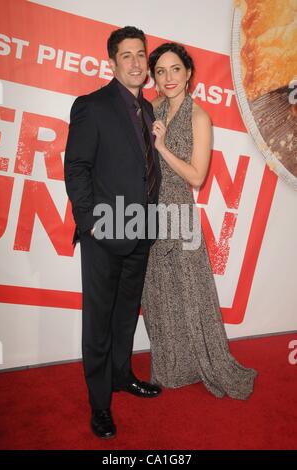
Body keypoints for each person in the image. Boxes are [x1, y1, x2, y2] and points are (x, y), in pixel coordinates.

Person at [141, 42, 257, 399]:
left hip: (179, 212)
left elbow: (196, 176)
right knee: (158, 293)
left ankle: (204, 362)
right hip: (146, 212)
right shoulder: (151, 108)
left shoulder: (199, 117)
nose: (168, 77)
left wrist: (161, 148)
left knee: (190, 292)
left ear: (188, 73)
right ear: (154, 79)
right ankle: (173, 366)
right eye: (160, 71)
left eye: (175, 69)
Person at [64, 26, 162, 440]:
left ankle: (122, 375)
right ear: (112, 62)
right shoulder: (92, 106)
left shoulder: (150, 110)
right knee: (99, 321)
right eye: (127, 56)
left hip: (140, 231)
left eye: (141, 55)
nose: (137, 63)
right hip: (104, 234)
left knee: (126, 315)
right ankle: (100, 404)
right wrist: (89, 224)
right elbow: (77, 168)